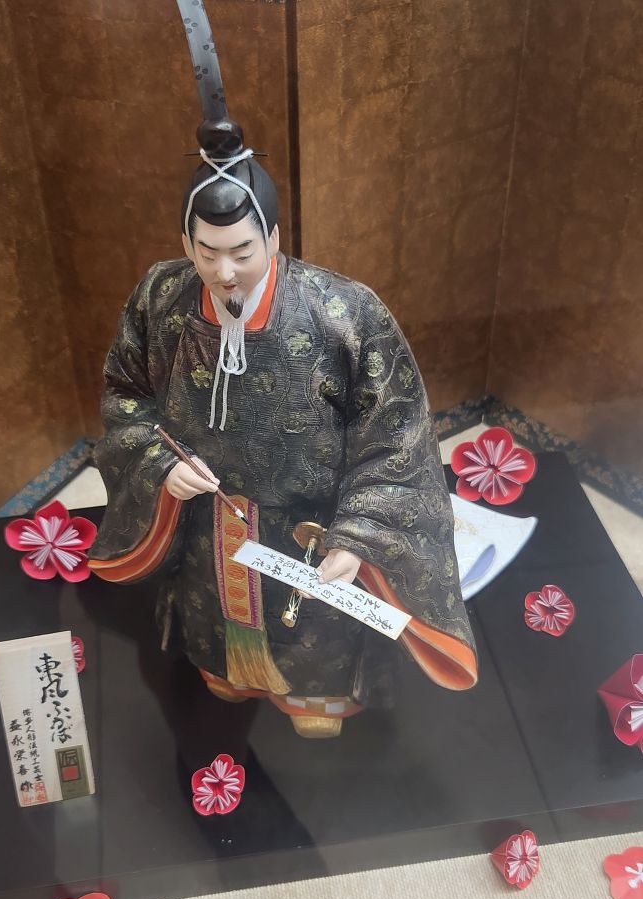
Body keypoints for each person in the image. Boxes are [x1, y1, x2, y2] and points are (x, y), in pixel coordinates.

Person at [88, 1, 477, 737]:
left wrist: (358, 536)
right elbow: (125, 396)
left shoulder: (343, 312)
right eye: (207, 253)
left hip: (310, 528)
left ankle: (314, 701)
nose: (225, 272)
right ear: (186, 242)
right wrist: (157, 466)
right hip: (207, 524)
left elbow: (397, 438)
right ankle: (228, 675)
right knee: (216, 642)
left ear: (273, 235)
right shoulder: (160, 298)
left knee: (314, 648)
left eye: (243, 251)